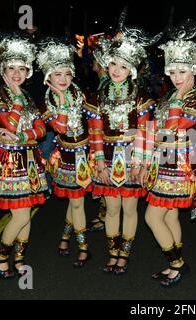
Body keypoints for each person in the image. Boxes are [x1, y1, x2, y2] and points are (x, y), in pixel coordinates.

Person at [143, 7, 196, 287]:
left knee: (152, 216)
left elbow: (170, 128)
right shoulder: (171, 95)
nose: (176, 76)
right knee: (169, 214)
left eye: (183, 71)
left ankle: (177, 264)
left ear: (194, 70)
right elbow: (154, 129)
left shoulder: (195, 98)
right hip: (165, 163)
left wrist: (178, 96)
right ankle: (176, 265)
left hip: (180, 167)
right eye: (172, 71)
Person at [89, 26, 159, 275]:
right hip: (107, 158)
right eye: (113, 65)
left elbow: (145, 131)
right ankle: (112, 252)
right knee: (111, 208)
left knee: (129, 209)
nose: (117, 70)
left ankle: (124, 255)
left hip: (132, 159)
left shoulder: (140, 96)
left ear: (132, 70)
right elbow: (95, 131)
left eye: (123, 66)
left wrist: (139, 164)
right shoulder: (98, 95)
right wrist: (99, 163)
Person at [0, 36, 48, 278]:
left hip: (30, 161)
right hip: (10, 164)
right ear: (3, 70)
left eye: (22, 68)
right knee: (20, 214)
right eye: (11, 68)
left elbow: (41, 130)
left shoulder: (30, 98)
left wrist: (22, 136)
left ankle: (20, 257)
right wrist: (18, 104)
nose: (17, 73)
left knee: (27, 210)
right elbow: (9, 126)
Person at [37, 40, 96, 267]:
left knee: (76, 202)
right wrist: (61, 100)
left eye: (67, 73)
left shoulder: (78, 93)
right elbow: (61, 128)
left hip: (83, 155)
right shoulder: (47, 102)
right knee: (77, 203)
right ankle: (83, 248)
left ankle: (64, 238)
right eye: (57, 74)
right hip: (66, 157)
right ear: (48, 77)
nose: (63, 79)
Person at [87, 37, 111, 233]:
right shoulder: (102, 83)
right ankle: (104, 215)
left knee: (103, 180)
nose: (92, 64)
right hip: (100, 141)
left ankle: (105, 216)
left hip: (103, 142)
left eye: (95, 60)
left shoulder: (105, 85)